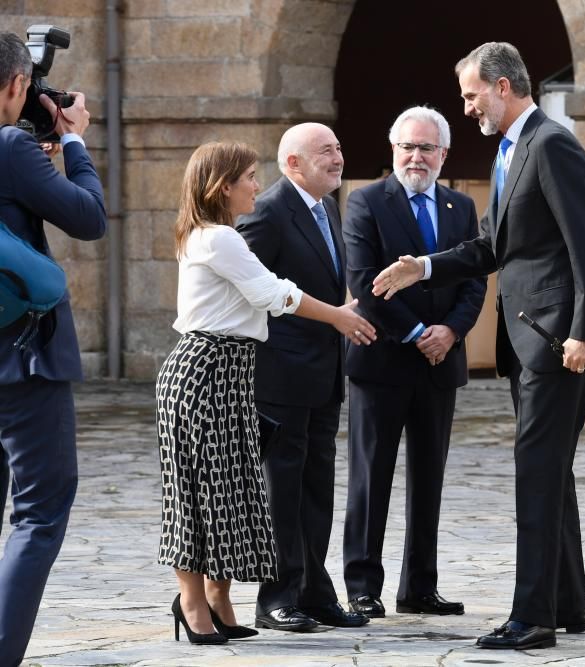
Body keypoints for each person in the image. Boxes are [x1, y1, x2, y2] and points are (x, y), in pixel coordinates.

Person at [373, 41, 585, 650]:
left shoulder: (551, 144)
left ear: (503, 86)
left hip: (557, 341)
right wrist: (422, 267)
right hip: (529, 342)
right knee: (550, 475)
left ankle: (532, 619)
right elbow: (488, 248)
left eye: (471, 93)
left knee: (536, 473)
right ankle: (566, 605)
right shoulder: (512, 151)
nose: (468, 105)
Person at [157, 141, 375, 645]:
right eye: (250, 176)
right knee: (198, 494)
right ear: (222, 186)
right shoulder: (219, 239)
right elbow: (273, 293)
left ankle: (217, 596)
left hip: (228, 372)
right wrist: (339, 315)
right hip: (207, 371)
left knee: (230, 491)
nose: (258, 184)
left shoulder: (217, 234)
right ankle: (192, 601)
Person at [341, 106, 486, 619]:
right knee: (370, 477)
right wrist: (418, 331)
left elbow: (474, 279)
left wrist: (451, 331)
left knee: (429, 480)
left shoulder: (460, 208)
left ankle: (420, 586)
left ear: (443, 154)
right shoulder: (365, 202)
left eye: (426, 148)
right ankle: (362, 585)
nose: (416, 157)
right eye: (407, 146)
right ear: (393, 150)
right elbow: (364, 281)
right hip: (382, 361)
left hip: (439, 363)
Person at [236, 123, 370, 632]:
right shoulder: (269, 213)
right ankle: (276, 597)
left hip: (324, 375)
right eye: (325, 152)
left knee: (317, 489)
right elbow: (255, 293)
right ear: (292, 163)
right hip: (281, 378)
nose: (338, 158)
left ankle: (315, 591)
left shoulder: (326, 207)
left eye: (339, 148)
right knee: (282, 492)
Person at [0, 32, 106, 664]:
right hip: (22, 357)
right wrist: (72, 138)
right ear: (17, 86)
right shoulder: (13, 145)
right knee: (39, 512)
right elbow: (89, 217)